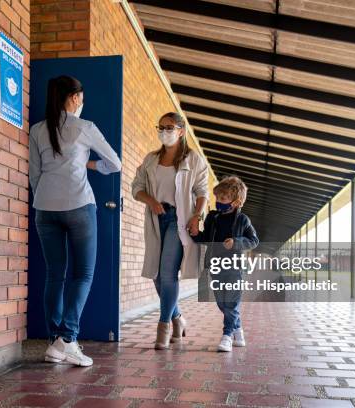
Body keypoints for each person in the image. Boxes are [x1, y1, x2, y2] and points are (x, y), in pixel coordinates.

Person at [29, 75, 121, 366]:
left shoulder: (37, 130)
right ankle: (68, 339)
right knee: (83, 274)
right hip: (79, 205)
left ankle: (55, 341)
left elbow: (34, 176)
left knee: (55, 274)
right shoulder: (85, 128)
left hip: (44, 208)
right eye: (81, 95)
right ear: (74, 98)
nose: (82, 100)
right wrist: (89, 163)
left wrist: (46, 198)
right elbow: (115, 164)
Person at [132, 112, 209, 349]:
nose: (164, 131)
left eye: (170, 127)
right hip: (158, 219)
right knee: (157, 275)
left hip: (180, 220)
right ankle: (178, 319)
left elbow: (202, 192)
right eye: (161, 127)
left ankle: (163, 325)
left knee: (167, 272)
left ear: (181, 131)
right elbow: (137, 187)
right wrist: (151, 201)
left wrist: (197, 216)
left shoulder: (193, 160)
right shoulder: (151, 159)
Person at [190, 176, 259, 352]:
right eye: (217, 198)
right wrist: (195, 233)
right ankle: (238, 330)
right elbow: (205, 239)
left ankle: (227, 336)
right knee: (222, 303)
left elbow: (254, 241)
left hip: (234, 268)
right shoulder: (212, 218)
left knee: (231, 303)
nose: (218, 202)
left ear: (236, 202)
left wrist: (236, 242)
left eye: (223, 198)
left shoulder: (243, 220)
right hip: (216, 266)